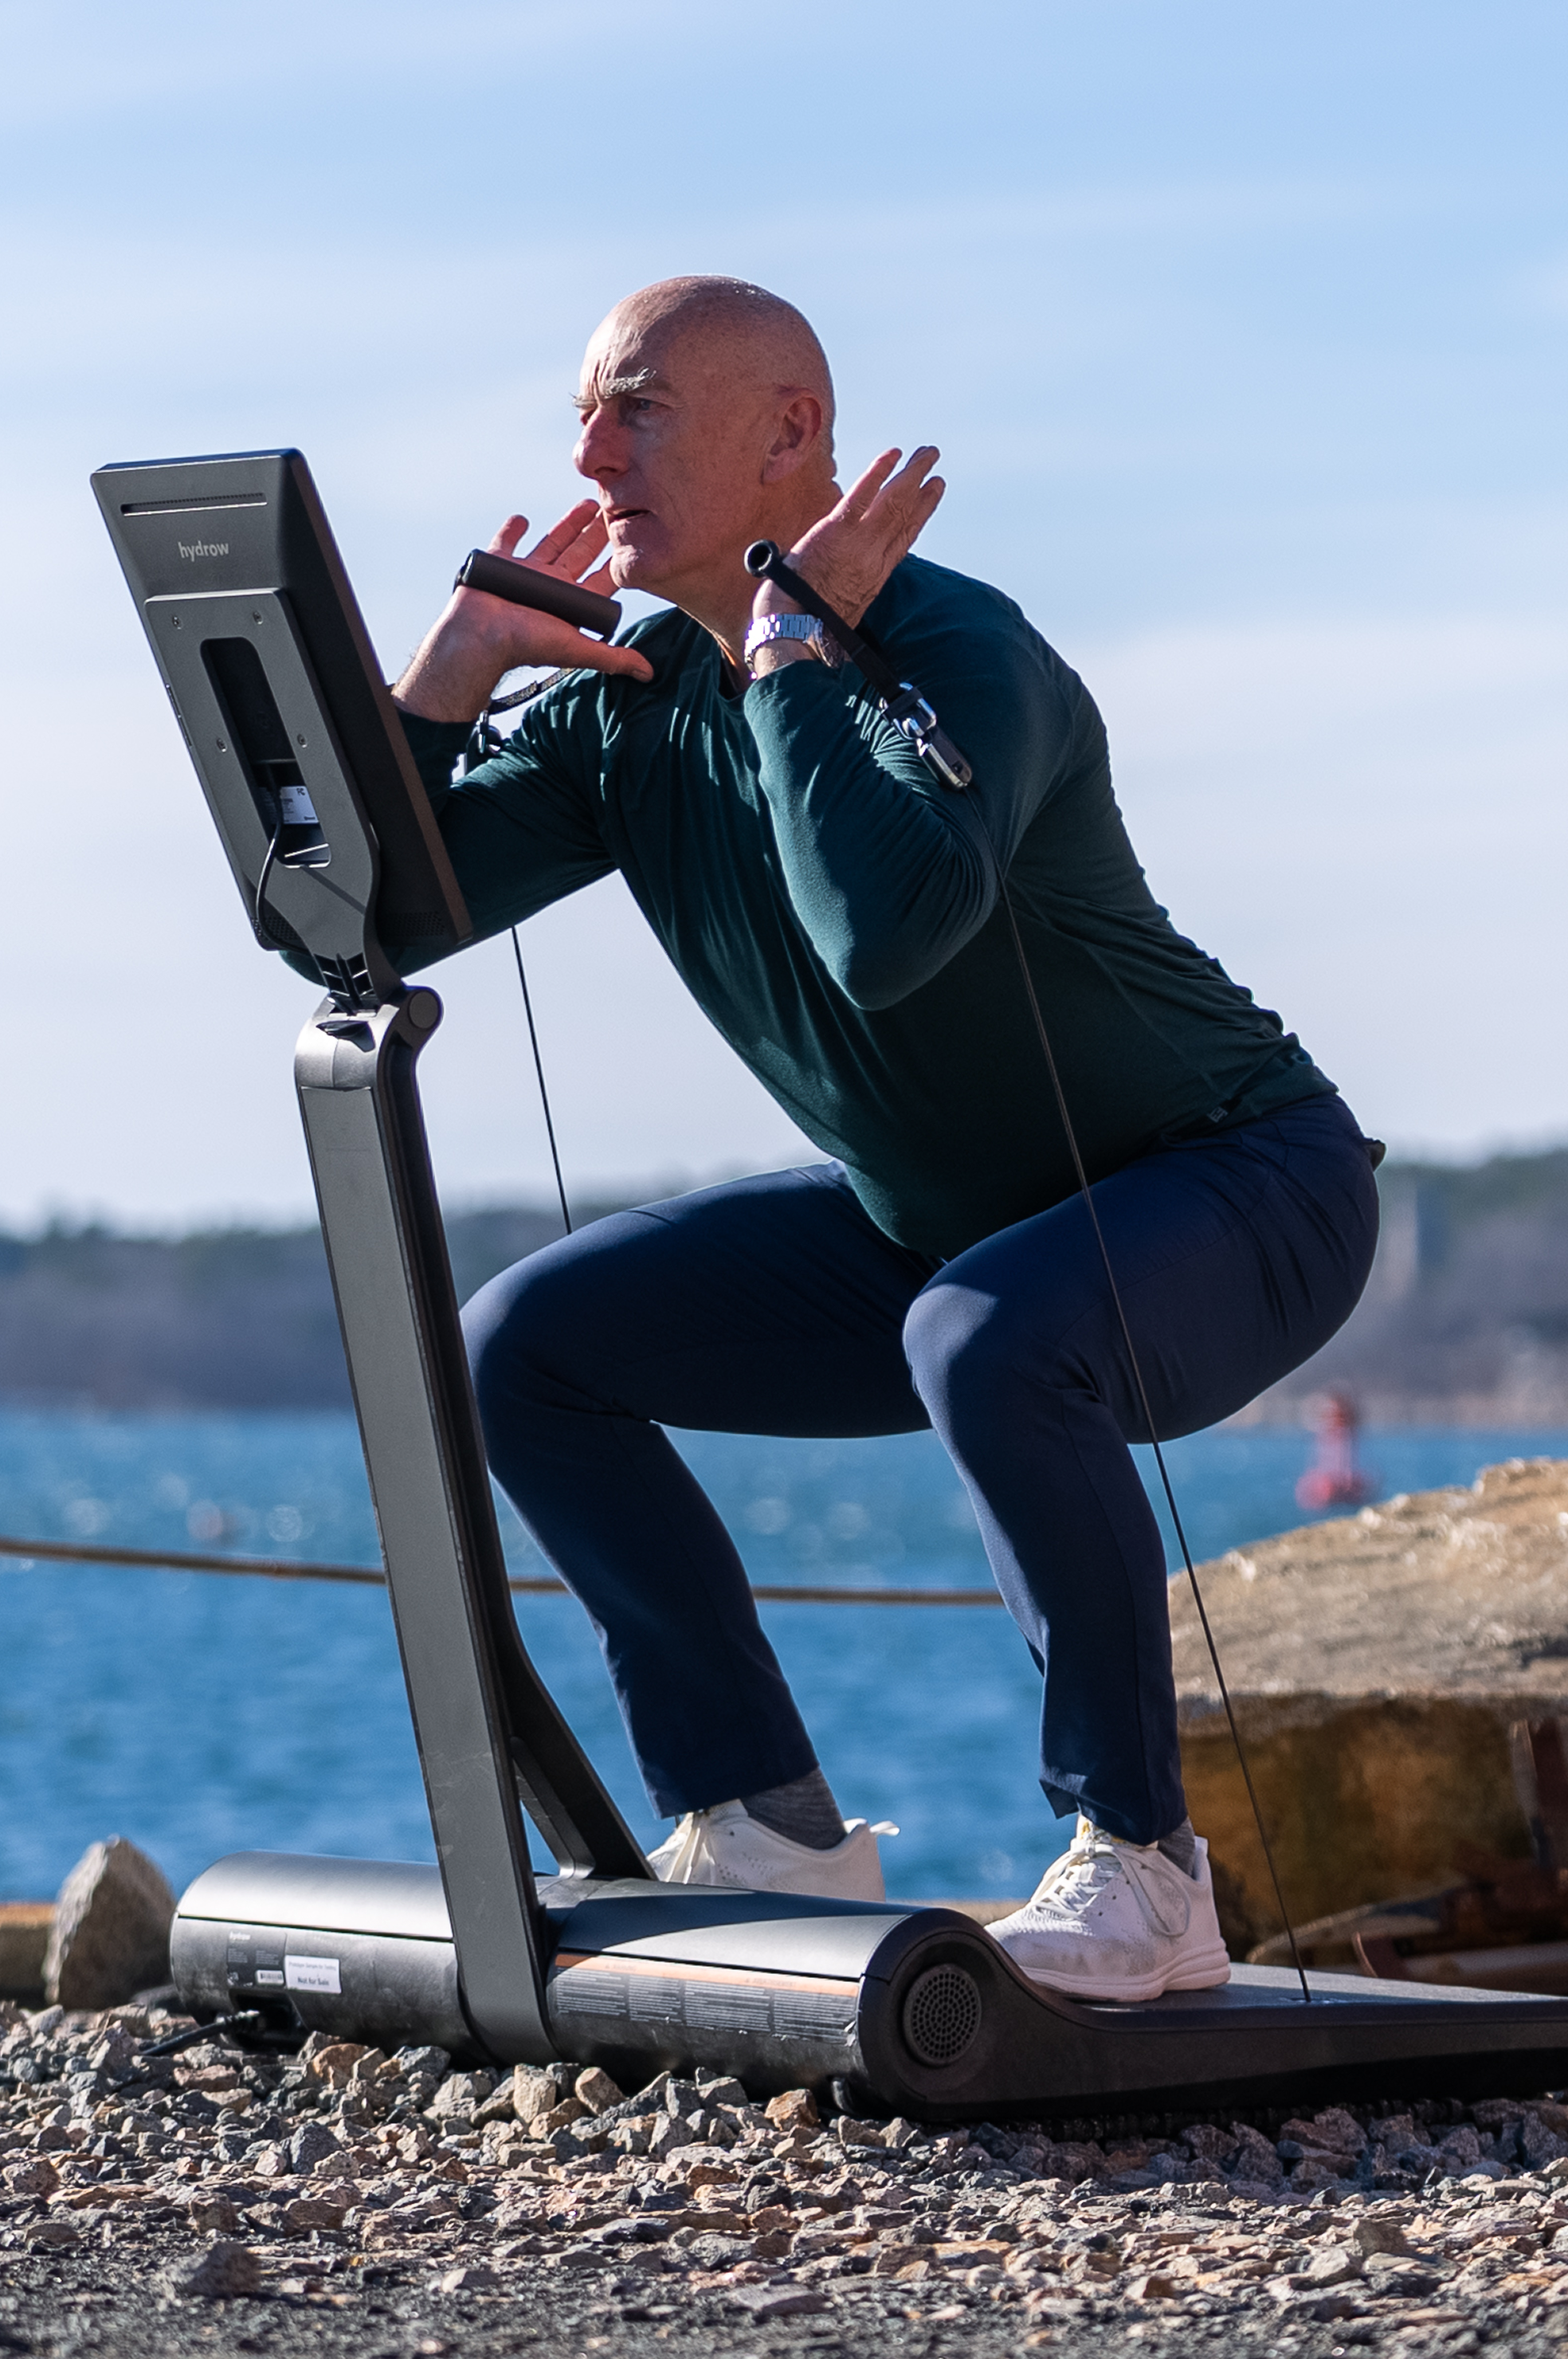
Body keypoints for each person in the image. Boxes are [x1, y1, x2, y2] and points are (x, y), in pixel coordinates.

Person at [381, 277, 1378, 2002]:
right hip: (941, 1222)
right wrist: (449, 682)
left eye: (639, 408)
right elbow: (365, 917)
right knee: (521, 1348)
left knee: (981, 1335)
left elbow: (881, 930)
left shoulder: (963, 652)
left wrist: (788, 653)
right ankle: (758, 1814)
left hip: (1241, 1180)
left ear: (790, 434)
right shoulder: (627, 701)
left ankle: (1144, 1871)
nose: (588, 453)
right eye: (582, 414)